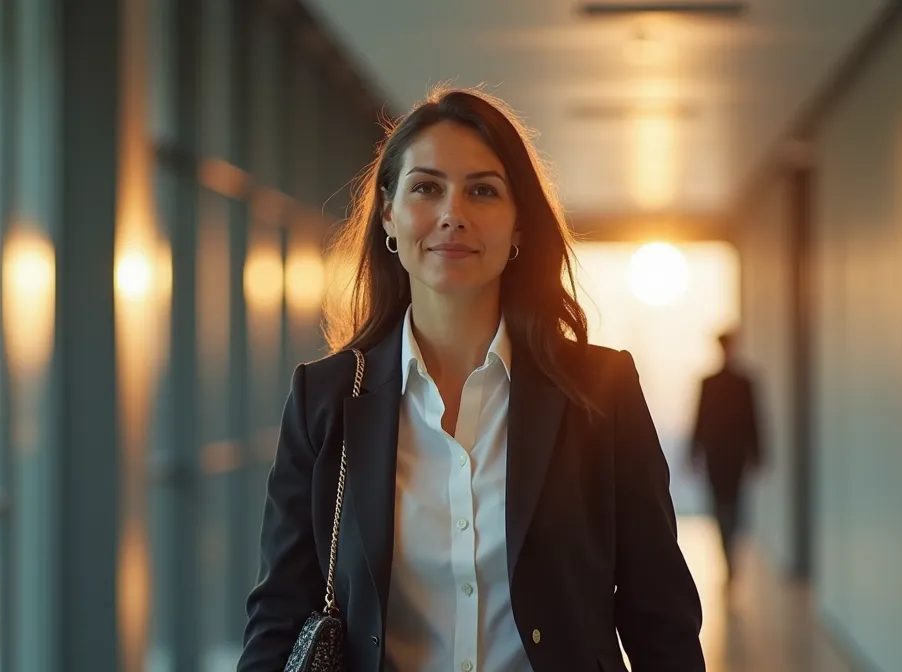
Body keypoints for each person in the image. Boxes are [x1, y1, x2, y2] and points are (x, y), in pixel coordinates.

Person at [238, 88, 705, 672]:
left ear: (519, 226)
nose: (452, 213)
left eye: (482, 190)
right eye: (426, 188)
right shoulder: (326, 398)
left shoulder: (599, 390)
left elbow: (659, 614)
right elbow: (280, 612)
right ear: (389, 212)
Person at [690, 331, 764, 585]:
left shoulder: (743, 383)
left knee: (732, 502)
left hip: (732, 453)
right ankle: (727, 552)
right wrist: (694, 452)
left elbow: (753, 420)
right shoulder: (711, 383)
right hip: (717, 452)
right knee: (721, 502)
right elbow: (699, 418)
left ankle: (729, 551)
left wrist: (757, 453)